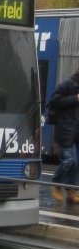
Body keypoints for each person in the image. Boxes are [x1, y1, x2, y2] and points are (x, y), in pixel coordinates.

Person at [46, 66, 79, 203]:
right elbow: (53, 102)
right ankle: (57, 183)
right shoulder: (67, 84)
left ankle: (72, 191)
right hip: (66, 130)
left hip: (77, 132)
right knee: (69, 160)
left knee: (77, 164)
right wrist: (75, 98)